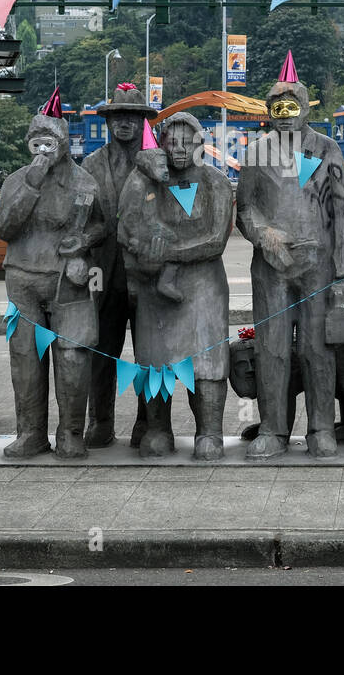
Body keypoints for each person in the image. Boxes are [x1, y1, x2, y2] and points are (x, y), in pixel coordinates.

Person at [235, 52, 344, 459]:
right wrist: (263, 234)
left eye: (292, 106)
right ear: (268, 112)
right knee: (271, 348)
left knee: (317, 348)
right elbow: (244, 208)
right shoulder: (255, 153)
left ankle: (321, 427)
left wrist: (342, 274)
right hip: (270, 267)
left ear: (306, 109)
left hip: (318, 265)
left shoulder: (328, 149)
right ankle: (273, 428)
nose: (284, 115)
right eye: (277, 108)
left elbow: (343, 213)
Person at [117, 112, 235, 460]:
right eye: (172, 140)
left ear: (201, 142)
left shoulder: (215, 182)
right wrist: (144, 254)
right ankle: (157, 428)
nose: (179, 148)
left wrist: (167, 254)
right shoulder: (146, 181)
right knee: (157, 359)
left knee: (207, 362)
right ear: (162, 143)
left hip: (204, 286)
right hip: (156, 287)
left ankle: (209, 431)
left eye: (188, 140)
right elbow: (125, 226)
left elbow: (215, 240)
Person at [0, 106, 105, 459]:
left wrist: (85, 241)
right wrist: (32, 182)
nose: (43, 149)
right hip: (23, 278)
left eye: (50, 142)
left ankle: (71, 432)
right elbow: (6, 228)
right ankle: (30, 432)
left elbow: (102, 224)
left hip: (68, 280)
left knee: (73, 356)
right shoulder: (16, 181)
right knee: (26, 357)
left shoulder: (85, 182)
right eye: (36, 142)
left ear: (64, 143)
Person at [81, 83, 159, 449]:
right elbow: (80, 216)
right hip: (103, 272)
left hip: (146, 274)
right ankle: (101, 421)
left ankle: (148, 422)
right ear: (109, 122)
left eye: (132, 117)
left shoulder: (158, 164)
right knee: (102, 352)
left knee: (149, 354)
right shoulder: (91, 164)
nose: (125, 124)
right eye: (118, 118)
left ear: (143, 121)